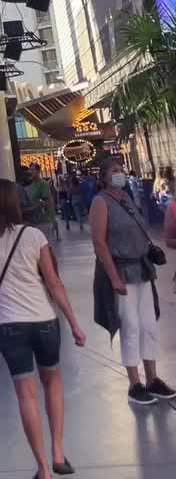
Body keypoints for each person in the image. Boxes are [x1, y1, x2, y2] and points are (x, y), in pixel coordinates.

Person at [0, 179, 85, 479]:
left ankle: (42, 469)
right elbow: (53, 282)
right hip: (44, 320)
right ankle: (58, 452)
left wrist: (0, 288)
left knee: (26, 395)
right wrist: (74, 323)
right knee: (53, 382)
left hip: (10, 324)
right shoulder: (35, 235)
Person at [90, 153, 175, 406]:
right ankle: (134, 383)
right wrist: (113, 276)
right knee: (131, 327)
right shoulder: (100, 202)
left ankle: (153, 378)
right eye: (114, 170)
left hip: (142, 269)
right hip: (122, 271)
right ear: (104, 177)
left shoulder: (125, 198)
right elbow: (99, 242)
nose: (120, 173)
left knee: (148, 324)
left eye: (121, 168)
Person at [28, 164, 57, 241]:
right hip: (34, 220)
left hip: (44, 219)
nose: (31, 172)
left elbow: (46, 201)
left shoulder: (43, 184)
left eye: (32, 170)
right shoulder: (31, 185)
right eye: (30, 170)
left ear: (38, 171)